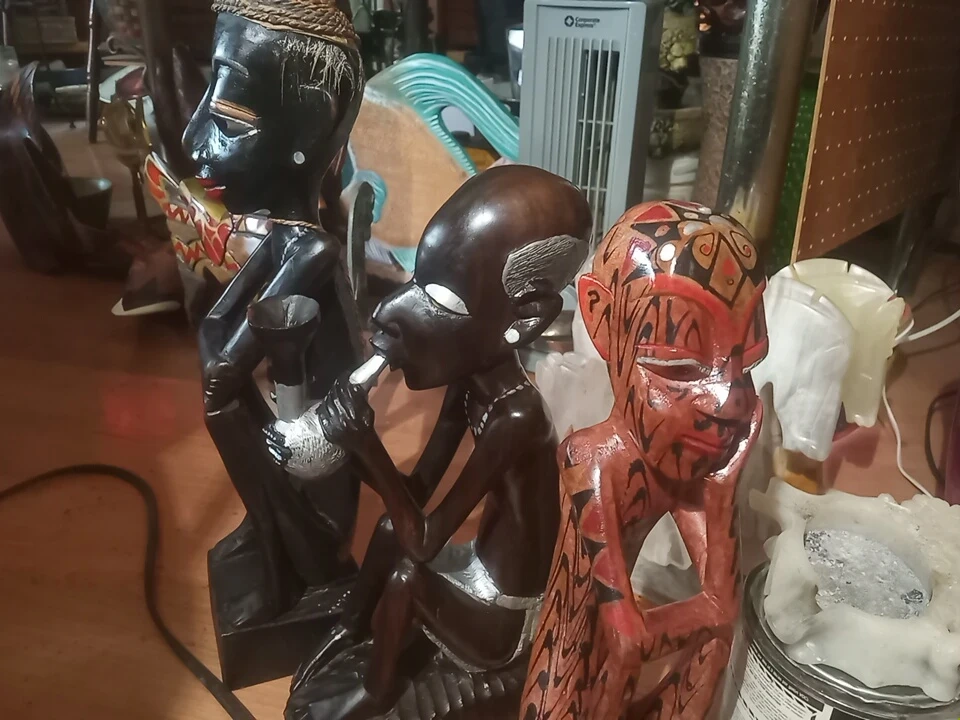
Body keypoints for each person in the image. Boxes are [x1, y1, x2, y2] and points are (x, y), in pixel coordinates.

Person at [268, 165, 593, 720]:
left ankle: (375, 693)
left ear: (524, 319)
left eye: (441, 297)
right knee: (388, 529)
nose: (387, 311)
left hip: (505, 615)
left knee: (407, 580)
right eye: (417, 280)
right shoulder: (472, 384)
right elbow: (415, 492)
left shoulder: (517, 418)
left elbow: (423, 544)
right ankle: (348, 630)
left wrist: (367, 447)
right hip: (477, 570)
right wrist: (345, 448)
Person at [520, 201, 768, 720]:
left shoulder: (681, 468)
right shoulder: (590, 461)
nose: (730, 402)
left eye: (746, 365)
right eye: (678, 364)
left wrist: (722, 490)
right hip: (559, 691)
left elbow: (725, 614)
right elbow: (626, 638)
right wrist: (708, 609)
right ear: (600, 317)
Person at [182, 0, 365, 628]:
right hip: (291, 427)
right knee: (223, 405)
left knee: (223, 408)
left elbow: (230, 356)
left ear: (308, 133)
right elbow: (220, 325)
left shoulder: (311, 248)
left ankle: (288, 558)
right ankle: (264, 532)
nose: (193, 139)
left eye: (229, 120)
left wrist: (222, 365)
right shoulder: (284, 237)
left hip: (319, 457)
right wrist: (219, 355)